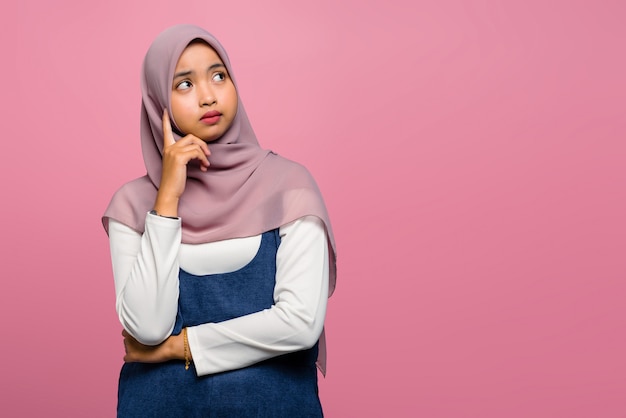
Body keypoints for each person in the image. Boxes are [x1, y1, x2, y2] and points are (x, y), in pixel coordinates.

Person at [102, 24, 337, 417]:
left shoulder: (289, 187)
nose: (208, 95)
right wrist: (167, 200)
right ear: (157, 101)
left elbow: (299, 323)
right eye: (184, 85)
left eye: (218, 75)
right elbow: (146, 329)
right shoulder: (132, 205)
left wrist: (181, 347)